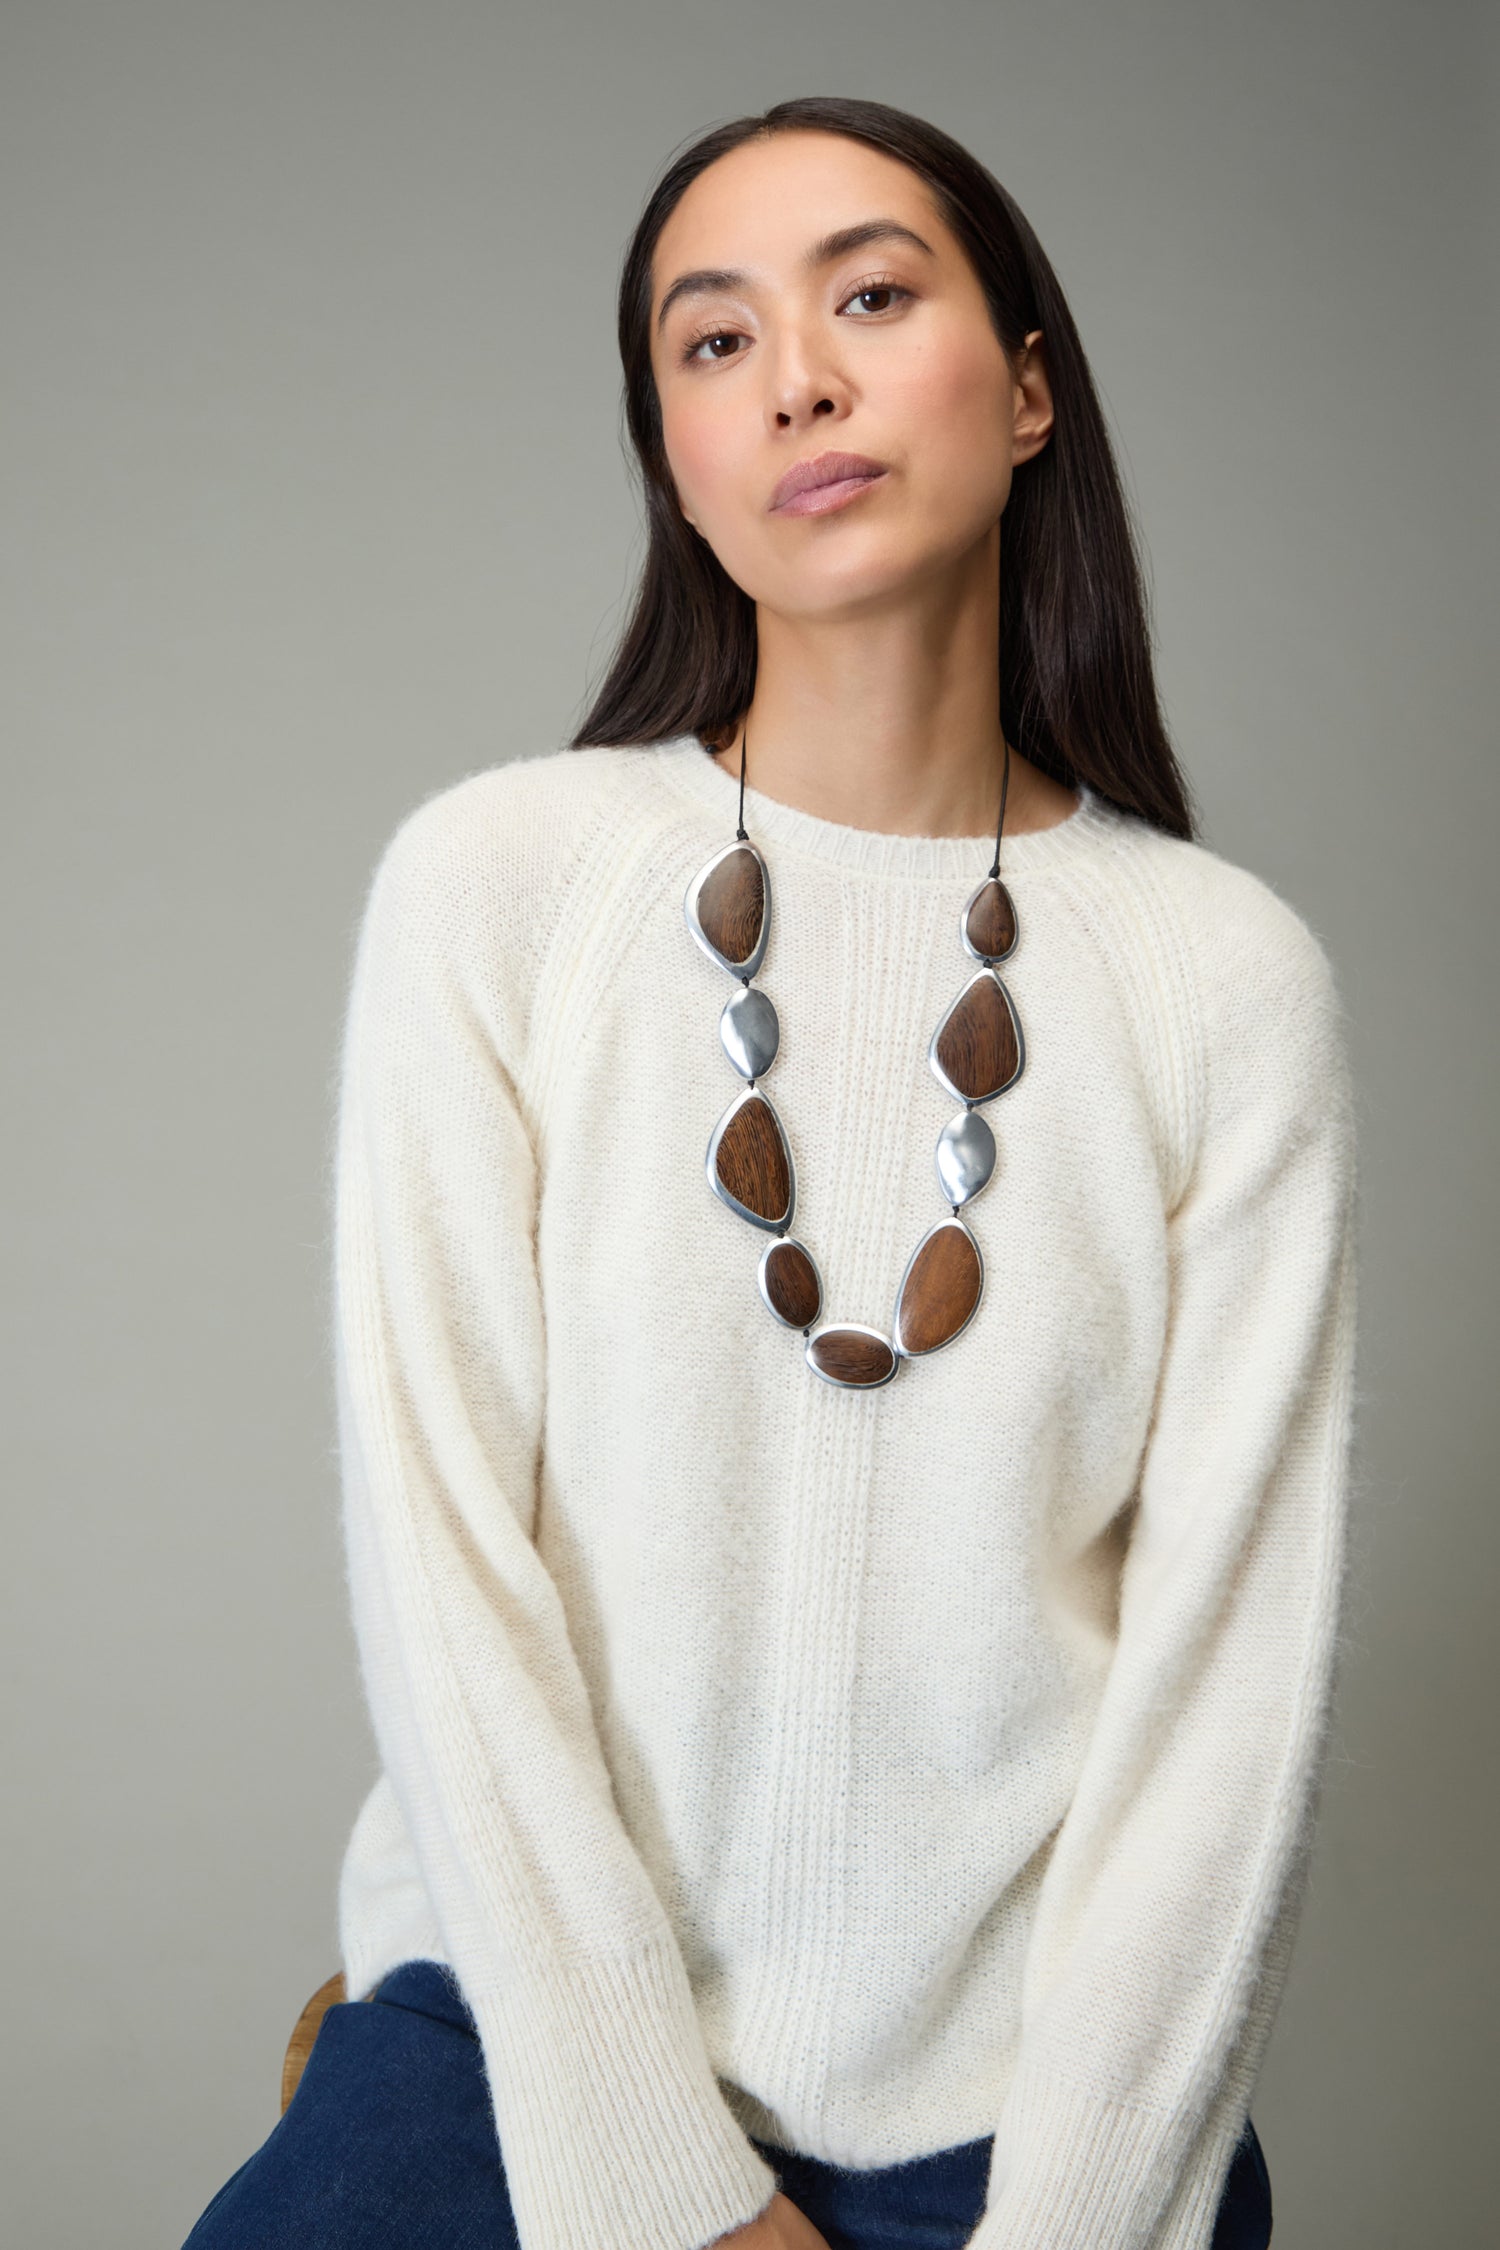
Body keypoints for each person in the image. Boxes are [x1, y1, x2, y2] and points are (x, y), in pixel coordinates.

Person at [183, 94, 1356, 2250]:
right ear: (679, 457)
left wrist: (1085, 2215)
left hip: (1036, 2130)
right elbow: (445, 1575)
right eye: (715, 341)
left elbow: (1230, 1701)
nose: (798, 377)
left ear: (1027, 392)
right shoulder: (500, 888)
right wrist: (662, 2185)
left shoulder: (1224, 982)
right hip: (522, 2055)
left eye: (872, 298)